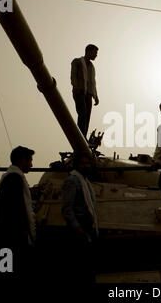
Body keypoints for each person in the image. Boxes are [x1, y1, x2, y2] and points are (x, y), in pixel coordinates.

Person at [0, 146, 36, 277]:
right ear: (23, 160)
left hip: (6, 233)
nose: (31, 164)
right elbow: (15, 207)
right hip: (14, 234)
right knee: (14, 270)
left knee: (6, 268)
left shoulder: (8, 177)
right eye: (30, 161)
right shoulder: (15, 179)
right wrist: (24, 231)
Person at [61, 152, 98, 281]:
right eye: (83, 164)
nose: (86, 166)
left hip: (88, 228)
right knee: (80, 267)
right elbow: (67, 208)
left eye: (88, 163)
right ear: (77, 165)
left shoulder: (85, 182)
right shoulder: (72, 181)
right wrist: (77, 228)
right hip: (79, 230)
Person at [71, 44, 100, 137]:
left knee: (87, 117)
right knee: (82, 114)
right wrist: (75, 87)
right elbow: (73, 75)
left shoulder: (92, 66)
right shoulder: (77, 61)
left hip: (89, 94)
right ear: (89, 51)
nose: (96, 55)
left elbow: (93, 82)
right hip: (80, 92)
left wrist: (96, 96)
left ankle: (83, 137)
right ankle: (78, 136)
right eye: (95, 53)